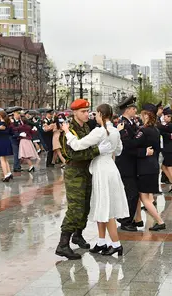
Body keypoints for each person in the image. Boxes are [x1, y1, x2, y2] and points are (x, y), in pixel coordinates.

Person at [62, 104, 128, 257]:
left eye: (94, 113)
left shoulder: (99, 131)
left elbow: (77, 146)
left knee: (105, 207)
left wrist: (67, 132)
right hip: (111, 168)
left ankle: (116, 244)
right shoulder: (115, 131)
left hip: (101, 170)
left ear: (100, 114)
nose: (92, 116)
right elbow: (119, 150)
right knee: (101, 205)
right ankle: (101, 241)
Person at [56, 99, 111, 260]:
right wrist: (96, 151)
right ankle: (63, 244)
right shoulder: (70, 131)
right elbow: (73, 153)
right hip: (75, 173)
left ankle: (78, 235)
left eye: (88, 111)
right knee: (75, 208)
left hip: (87, 171)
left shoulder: (86, 127)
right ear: (74, 113)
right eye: (83, 112)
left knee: (86, 206)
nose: (87, 114)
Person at [118, 103, 165, 231]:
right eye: (134, 109)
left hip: (145, 167)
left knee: (143, 197)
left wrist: (122, 132)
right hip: (149, 166)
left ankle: (160, 221)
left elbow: (131, 143)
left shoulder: (144, 130)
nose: (138, 113)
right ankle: (137, 219)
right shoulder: (154, 129)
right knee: (139, 195)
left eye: (141, 112)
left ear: (146, 115)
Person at [115, 96, 140, 232]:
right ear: (128, 109)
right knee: (131, 193)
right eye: (133, 108)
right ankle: (125, 221)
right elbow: (128, 144)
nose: (135, 110)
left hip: (131, 163)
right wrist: (142, 150)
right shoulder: (123, 124)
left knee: (131, 193)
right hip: (126, 163)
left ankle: (127, 218)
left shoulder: (131, 123)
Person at [0, 111, 14, 182]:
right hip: (7, 141)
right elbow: (12, 133)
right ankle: (9, 173)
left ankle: (5, 175)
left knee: (2, 159)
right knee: (5, 159)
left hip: (1, 142)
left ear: (0, 116)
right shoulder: (8, 124)